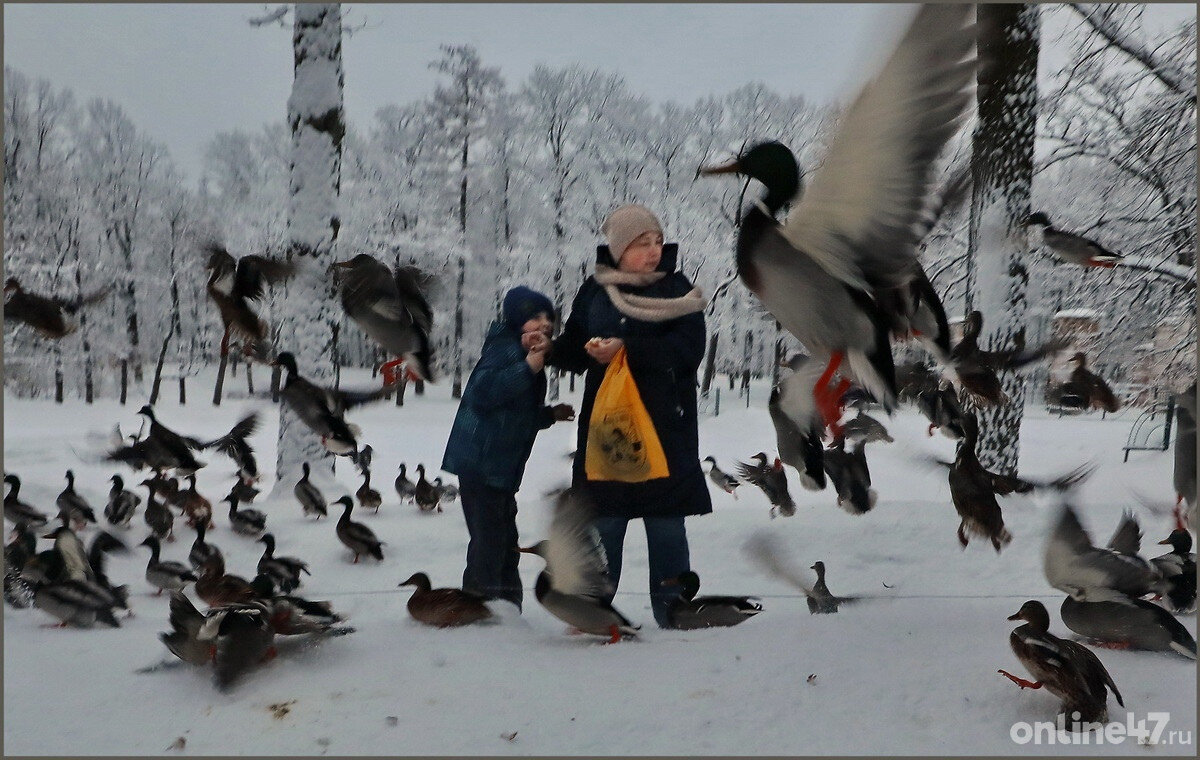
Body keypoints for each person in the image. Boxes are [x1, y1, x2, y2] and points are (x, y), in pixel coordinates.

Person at [542, 204, 710, 628]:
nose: (654, 251)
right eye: (641, 244)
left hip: (664, 429)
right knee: (606, 523)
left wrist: (627, 350)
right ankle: (596, 612)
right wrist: (549, 348)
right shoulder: (595, 292)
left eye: (657, 241)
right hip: (610, 431)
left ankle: (674, 611)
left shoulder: (679, 291)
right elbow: (577, 347)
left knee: (667, 526)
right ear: (619, 250)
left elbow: (688, 352)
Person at [441, 286, 575, 610]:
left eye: (549, 319)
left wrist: (547, 414)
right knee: (488, 542)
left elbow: (514, 413)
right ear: (516, 322)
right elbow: (485, 393)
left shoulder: (526, 355)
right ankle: (479, 606)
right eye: (534, 318)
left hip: (501, 469)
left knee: (504, 541)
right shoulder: (504, 349)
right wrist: (528, 366)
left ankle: (506, 607)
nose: (544, 324)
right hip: (481, 464)